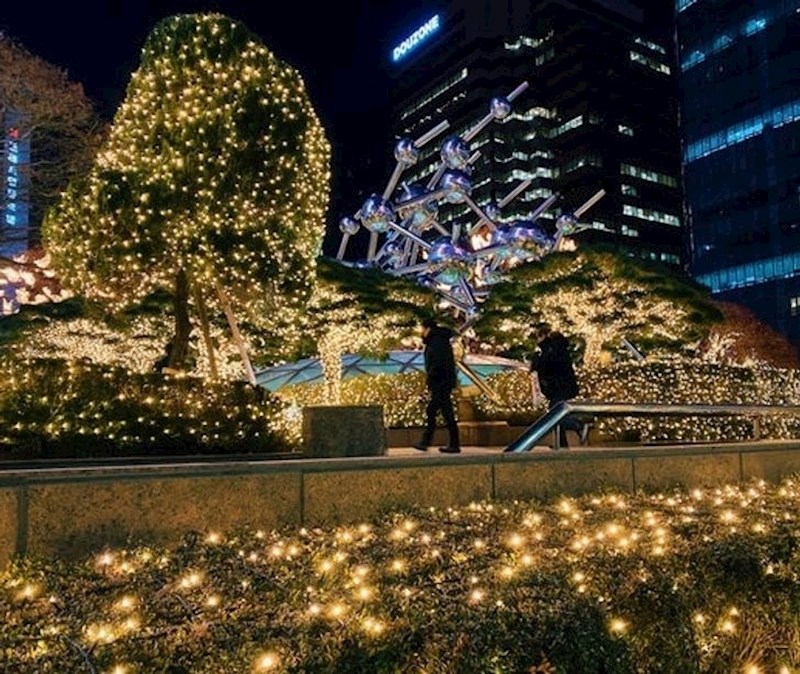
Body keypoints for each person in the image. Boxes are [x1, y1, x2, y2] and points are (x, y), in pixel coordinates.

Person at [530, 327, 588, 448]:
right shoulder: (557, 349)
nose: (537, 340)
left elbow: (546, 367)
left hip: (560, 388)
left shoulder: (551, 350)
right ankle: (562, 443)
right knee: (556, 414)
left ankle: (579, 425)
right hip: (562, 387)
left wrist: (537, 360)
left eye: (539, 337)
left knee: (555, 415)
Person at [414, 317, 461, 453]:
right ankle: (449, 443)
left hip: (440, 382)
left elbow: (437, 363)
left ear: (428, 329)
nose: (421, 332)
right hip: (442, 382)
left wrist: (432, 378)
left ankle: (428, 442)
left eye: (422, 329)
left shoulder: (437, 342)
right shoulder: (439, 340)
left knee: (439, 412)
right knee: (443, 412)